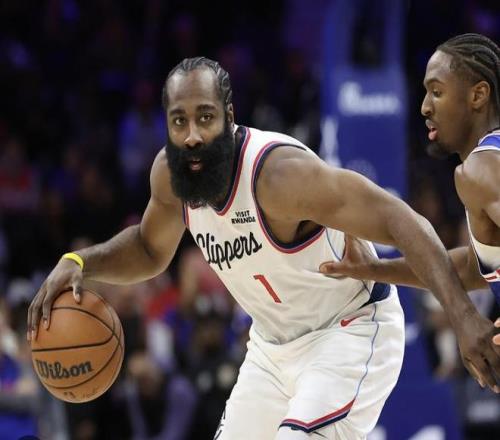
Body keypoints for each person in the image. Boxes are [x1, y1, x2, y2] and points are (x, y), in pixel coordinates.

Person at [27, 56, 498, 439]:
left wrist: (463, 317)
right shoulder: (171, 178)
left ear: (230, 118)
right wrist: (80, 262)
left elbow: (402, 221)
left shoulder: (279, 176)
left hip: (349, 331)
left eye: (205, 117)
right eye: (179, 121)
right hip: (271, 349)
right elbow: (150, 250)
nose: (192, 135)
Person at [320, 33, 500, 390]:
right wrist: (373, 269)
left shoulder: (479, 169)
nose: (424, 107)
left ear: (478, 95)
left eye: (437, 91)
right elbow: (475, 266)